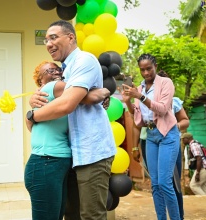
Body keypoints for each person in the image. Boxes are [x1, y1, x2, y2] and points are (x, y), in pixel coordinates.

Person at [27, 20, 117, 220]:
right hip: (72, 155)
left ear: (71, 37)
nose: (48, 43)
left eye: (53, 37)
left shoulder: (84, 60)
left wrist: (32, 115)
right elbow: (78, 98)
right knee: (73, 215)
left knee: (91, 216)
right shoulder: (64, 72)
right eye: (46, 40)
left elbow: (67, 104)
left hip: (91, 152)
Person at [122, 53, 180, 219]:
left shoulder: (165, 83)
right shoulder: (139, 88)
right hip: (151, 136)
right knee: (155, 184)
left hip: (168, 134)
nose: (146, 73)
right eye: (142, 70)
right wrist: (128, 101)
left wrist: (140, 96)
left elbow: (162, 109)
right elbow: (137, 117)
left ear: (155, 65)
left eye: (149, 68)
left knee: (164, 182)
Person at [132, 70, 190, 220]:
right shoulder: (144, 97)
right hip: (149, 141)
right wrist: (135, 146)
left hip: (169, 140)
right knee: (156, 183)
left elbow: (185, 121)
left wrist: (172, 126)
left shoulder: (173, 101)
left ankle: (179, 216)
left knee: (170, 182)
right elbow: (136, 123)